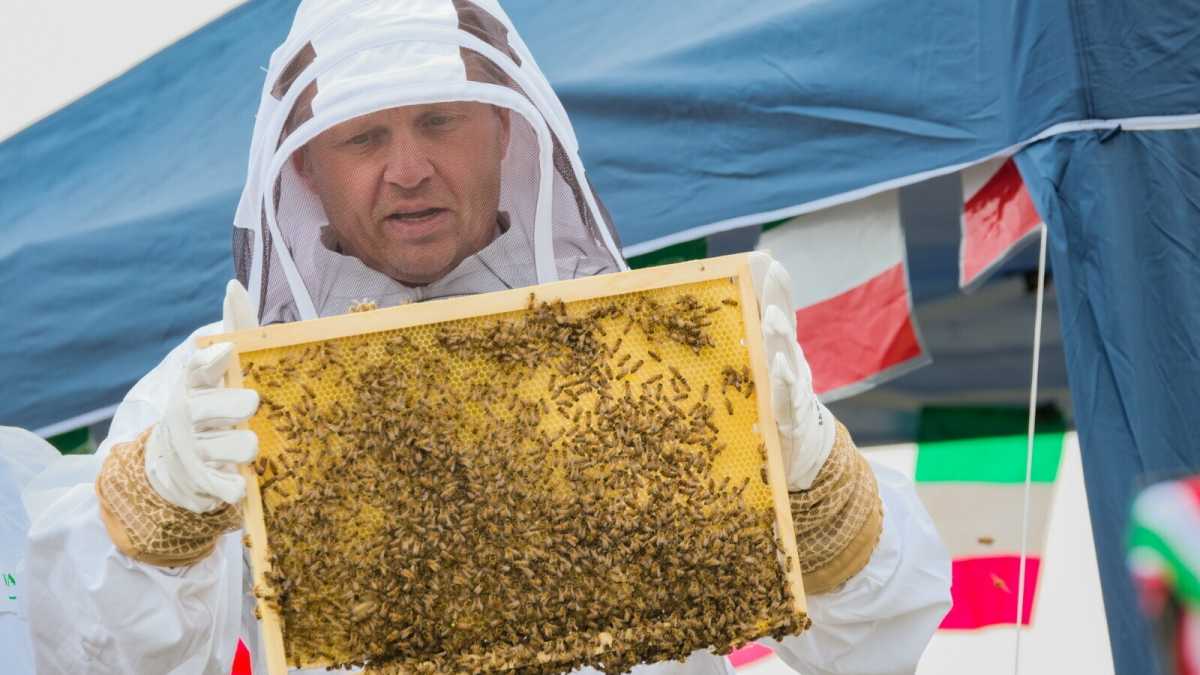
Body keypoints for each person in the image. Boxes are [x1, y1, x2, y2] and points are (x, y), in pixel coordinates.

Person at [23, 2, 950, 673]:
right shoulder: (219, 390)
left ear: (504, 130)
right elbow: (89, 653)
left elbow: (876, 641)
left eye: (438, 121)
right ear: (303, 166)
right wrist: (159, 500)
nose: (408, 167)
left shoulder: (655, 351)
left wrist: (811, 470)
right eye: (363, 138)